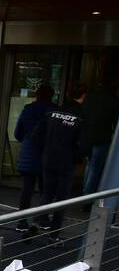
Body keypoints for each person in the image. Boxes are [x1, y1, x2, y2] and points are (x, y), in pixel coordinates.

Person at [32, 84, 87, 246]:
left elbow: (36, 136)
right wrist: (77, 158)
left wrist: (46, 150)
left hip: (49, 159)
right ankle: (54, 235)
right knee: (62, 200)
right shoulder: (81, 117)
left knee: (47, 194)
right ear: (83, 96)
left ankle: (37, 221)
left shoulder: (51, 112)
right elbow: (83, 145)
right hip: (66, 162)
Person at [13, 85, 55, 234]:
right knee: (46, 190)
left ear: (36, 95)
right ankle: (42, 219)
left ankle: (22, 221)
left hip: (28, 152)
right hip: (47, 155)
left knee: (26, 189)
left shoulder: (28, 109)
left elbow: (18, 133)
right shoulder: (54, 111)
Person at [81, 82, 119, 195]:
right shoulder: (114, 100)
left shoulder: (89, 97)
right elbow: (116, 122)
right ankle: (87, 196)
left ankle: (84, 194)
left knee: (89, 165)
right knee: (95, 168)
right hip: (102, 137)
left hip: (87, 136)